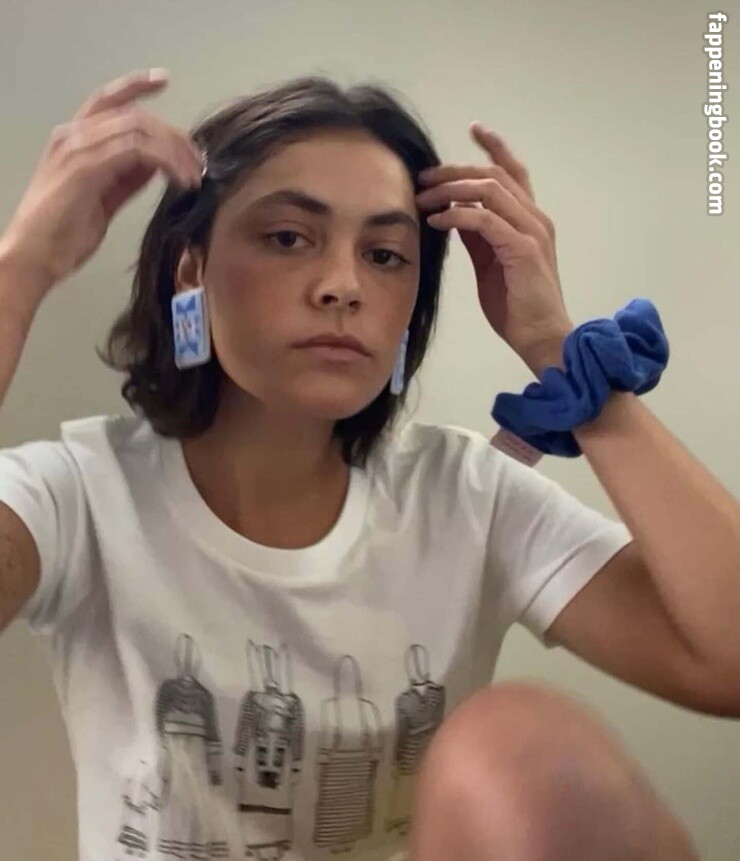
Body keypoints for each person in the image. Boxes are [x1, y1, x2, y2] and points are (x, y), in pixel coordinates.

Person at [0, 69, 699, 861]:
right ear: (191, 270)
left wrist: (562, 356)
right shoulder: (77, 495)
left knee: (521, 746)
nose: (343, 286)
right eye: (288, 238)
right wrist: (22, 269)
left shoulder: (468, 497)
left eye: (386, 254)